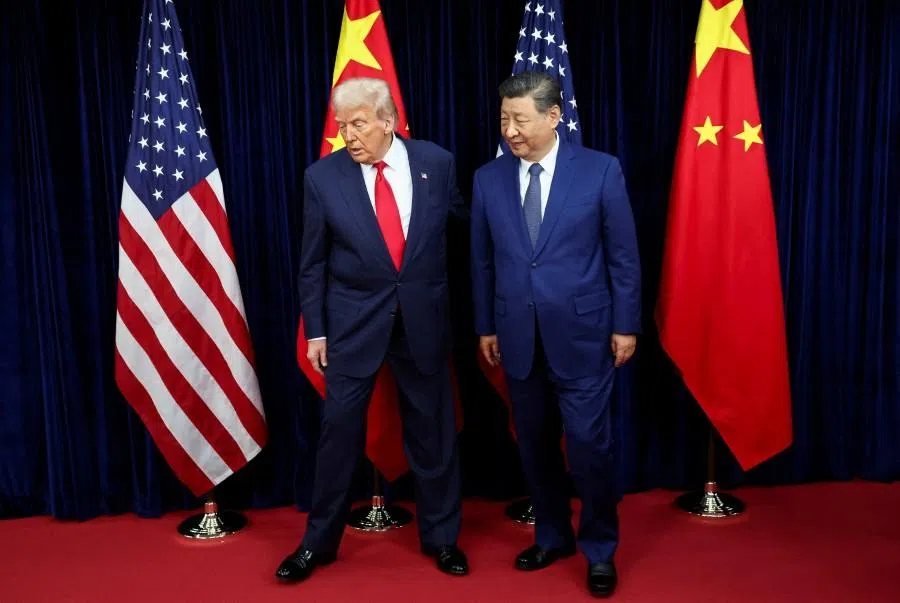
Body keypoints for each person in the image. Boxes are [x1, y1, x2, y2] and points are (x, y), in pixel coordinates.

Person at [276, 77, 469, 583]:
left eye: (358, 124)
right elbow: (312, 264)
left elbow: (455, 239)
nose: (348, 136)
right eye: (342, 126)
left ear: (389, 121)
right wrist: (316, 330)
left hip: (422, 322)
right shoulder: (322, 178)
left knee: (433, 434)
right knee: (338, 437)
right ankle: (317, 544)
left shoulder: (437, 163)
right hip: (352, 326)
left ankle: (444, 539)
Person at [470, 71, 641, 598]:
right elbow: (482, 261)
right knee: (536, 447)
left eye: (520, 119)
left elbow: (623, 257)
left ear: (552, 116)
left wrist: (626, 324)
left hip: (587, 335)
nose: (511, 131)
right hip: (517, 337)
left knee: (589, 448)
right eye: (504, 120)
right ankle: (552, 536)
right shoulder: (488, 178)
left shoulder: (600, 170)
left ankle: (599, 550)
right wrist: (485, 325)